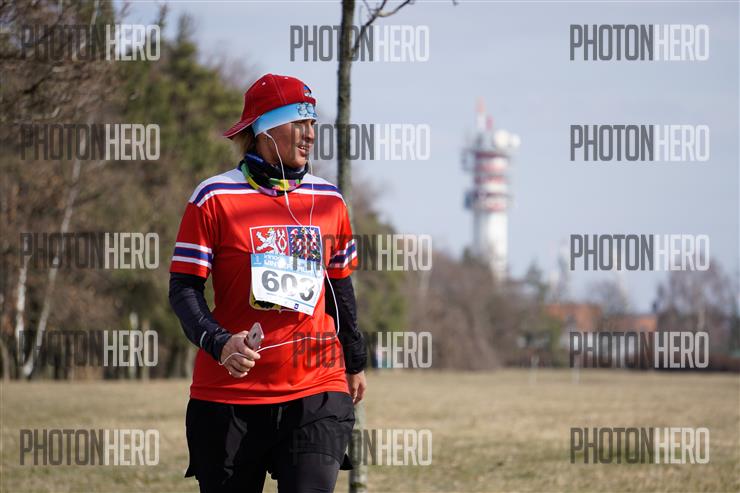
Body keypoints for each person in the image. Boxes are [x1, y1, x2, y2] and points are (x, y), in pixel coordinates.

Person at [168, 73, 367, 493]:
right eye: (299, 122)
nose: (310, 134)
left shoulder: (329, 201)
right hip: (229, 397)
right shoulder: (213, 197)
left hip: (316, 389)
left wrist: (354, 361)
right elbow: (184, 288)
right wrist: (220, 342)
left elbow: (339, 288)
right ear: (263, 130)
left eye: (313, 123)